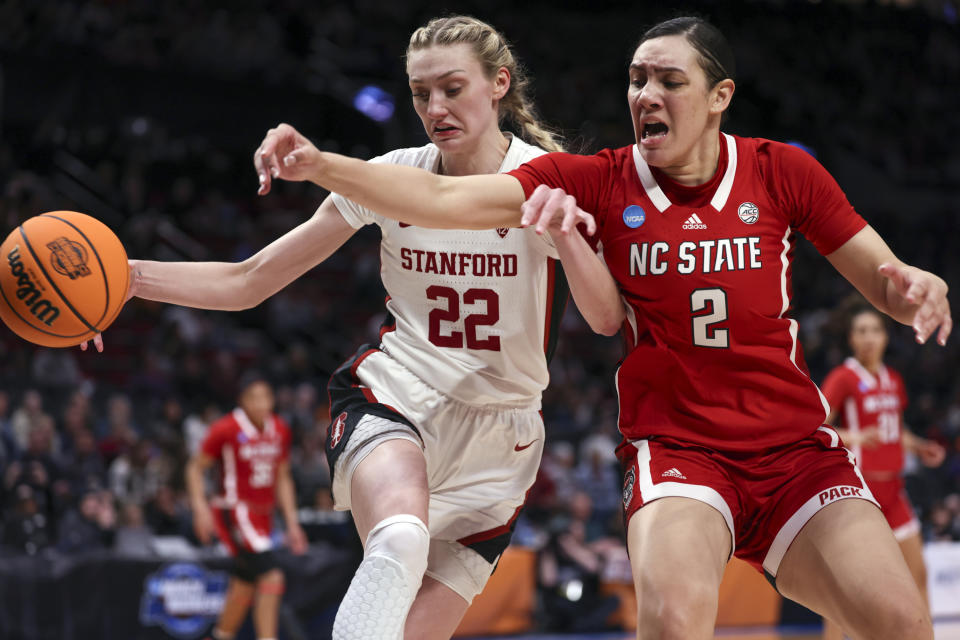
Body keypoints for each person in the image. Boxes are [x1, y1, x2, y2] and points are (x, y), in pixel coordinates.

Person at [252, 16, 952, 639]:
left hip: (795, 449)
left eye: (669, 80)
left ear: (720, 97)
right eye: (637, 78)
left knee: (901, 623)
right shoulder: (597, 179)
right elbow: (439, 194)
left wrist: (918, 284)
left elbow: (886, 284)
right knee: (675, 622)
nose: (646, 93)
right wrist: (321, 166)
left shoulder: (782, 171)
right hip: (680, 452)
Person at [90, 16, 620, 639]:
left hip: (503, 440)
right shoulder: (391, 172)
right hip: (400, 400)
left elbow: (606, 317)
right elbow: (249, 280)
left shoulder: (549, 179)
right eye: (421, 93)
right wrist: (129, 278)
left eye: (452, 88)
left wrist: (566, 236)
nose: (435, 107)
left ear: (499, 83)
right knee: (398, 542)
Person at [820, 304, 946, 640]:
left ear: (885, 337)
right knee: (843, 589)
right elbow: (816, 426)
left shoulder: (893, 379)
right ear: (851, 338)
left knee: (917, 574)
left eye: (874, 330)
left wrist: (919, 446)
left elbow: (894, 431)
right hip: (861, 494)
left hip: (894, 490)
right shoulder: (843, 377)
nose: (868, 338)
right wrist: (856, 436)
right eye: (861, 331)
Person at [186, 374, 307, 640]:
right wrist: (200, 509)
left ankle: (220, 636)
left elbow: (283, 477)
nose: (261, 403)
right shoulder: (225, 428)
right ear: (242, 400)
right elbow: (195, 467)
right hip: (234, 511)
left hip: (264, 516)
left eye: (266, 396)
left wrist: (292, 523)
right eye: (254, 397)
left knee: (244, 584)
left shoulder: (280, 429)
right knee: (272, 576)